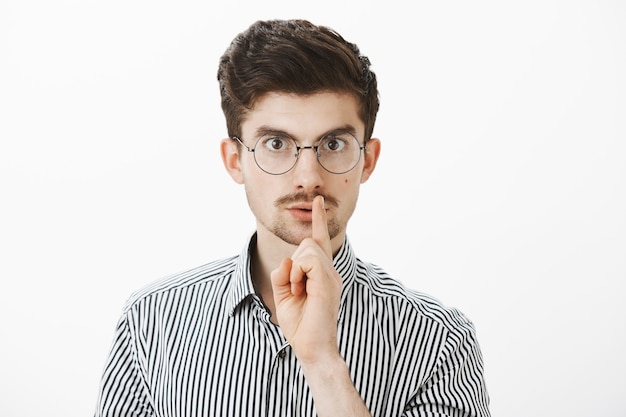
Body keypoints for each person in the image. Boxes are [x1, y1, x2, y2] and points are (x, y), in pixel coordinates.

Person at [94, 19, 490, 417]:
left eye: (333, 144)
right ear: (235, 161)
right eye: (276, 144)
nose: (307, 178)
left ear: (367, 160)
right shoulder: (152, 321)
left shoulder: (441, 343)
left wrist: (323, 363)